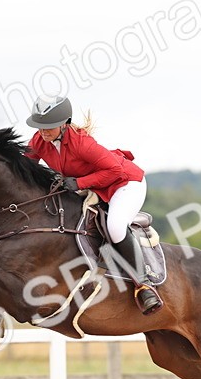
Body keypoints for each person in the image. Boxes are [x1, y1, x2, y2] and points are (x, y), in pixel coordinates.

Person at [25, 94, 163, 315]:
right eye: (40, 125)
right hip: (94, 187)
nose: (43, 131)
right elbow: (24, 164)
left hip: (124, 184)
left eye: (48, 126)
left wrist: (79, 182)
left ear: (64, 123)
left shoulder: (82, 143)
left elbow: (114, 171)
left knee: (115, 226)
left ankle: (144, 284)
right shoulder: (40, 140)